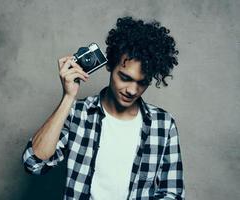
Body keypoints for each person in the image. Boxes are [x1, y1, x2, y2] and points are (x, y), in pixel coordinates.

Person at [22, 16, 185, 200]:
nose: (132, 90)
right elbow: (34, 164)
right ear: (109, 65)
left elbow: (172, 194)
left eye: (142, 82)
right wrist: (68, 97)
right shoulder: (79, 113)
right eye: (125, 77)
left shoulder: (163, 124)